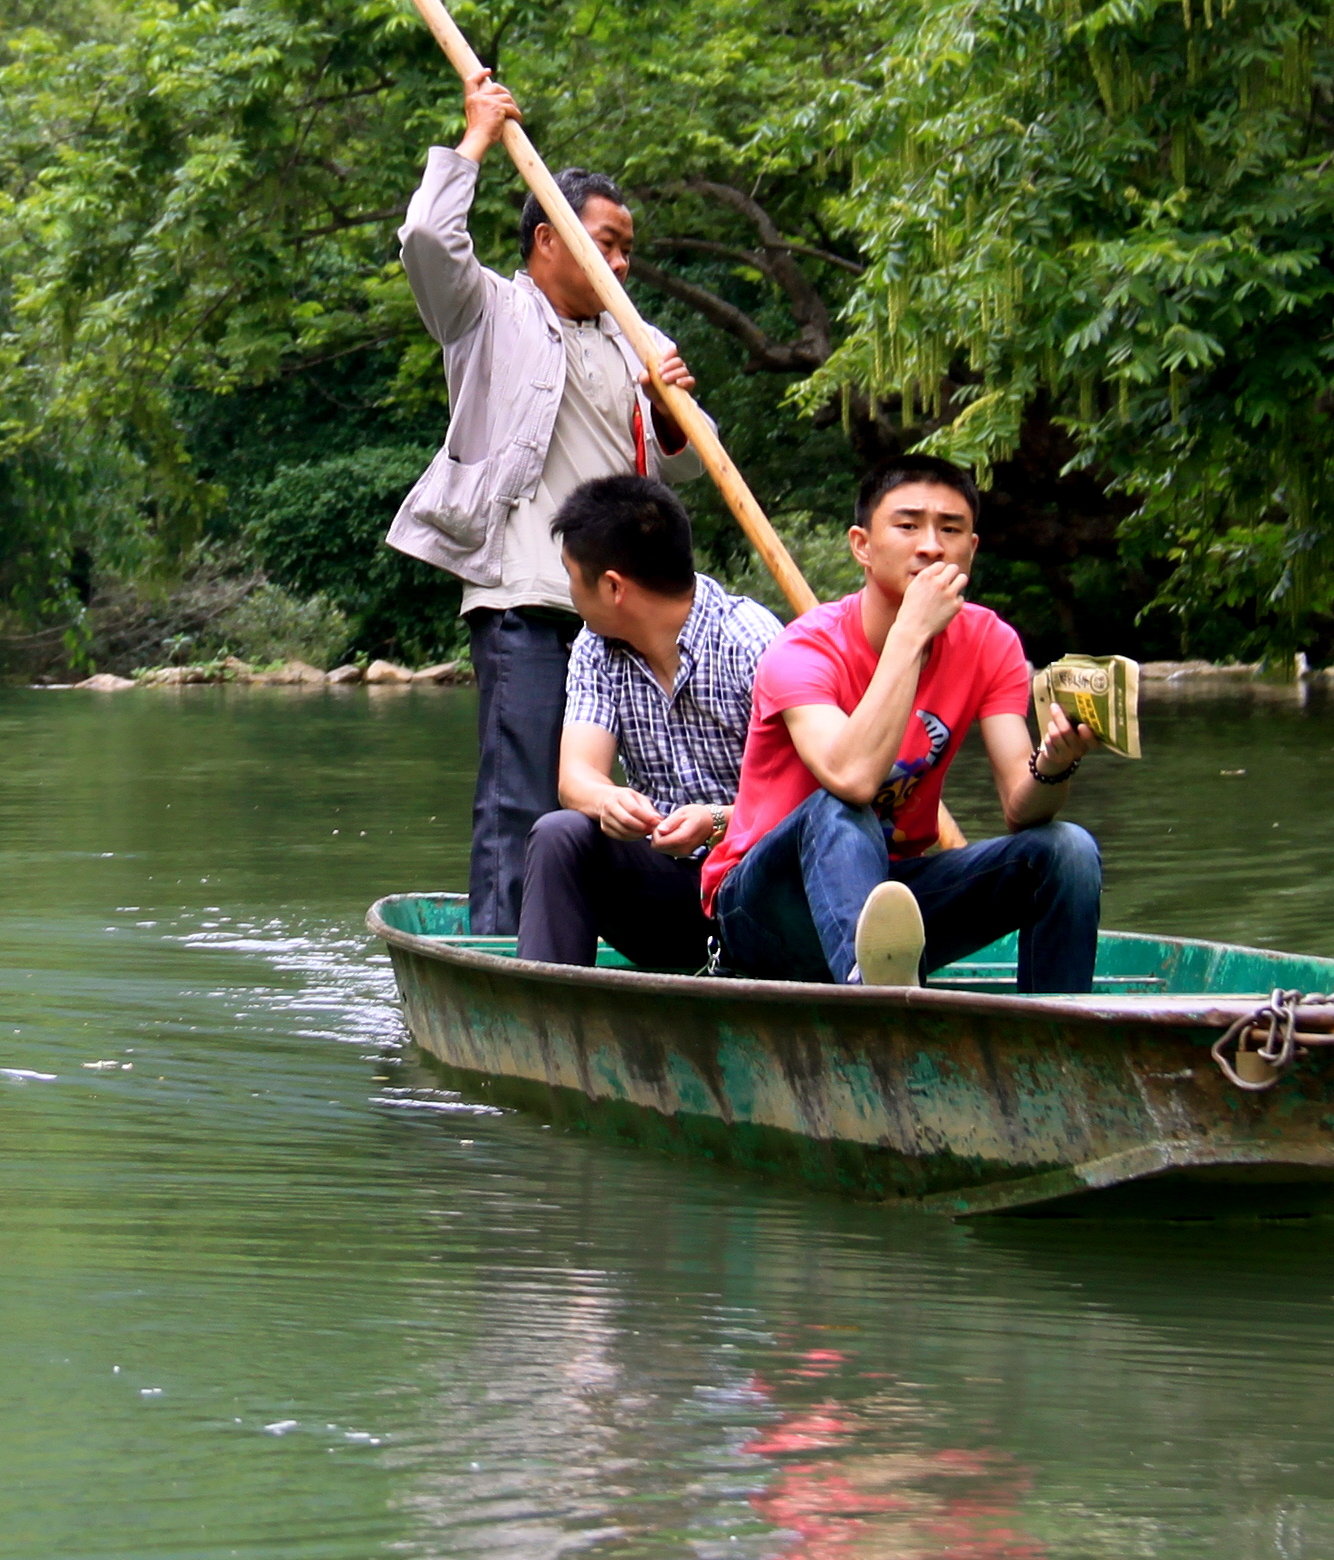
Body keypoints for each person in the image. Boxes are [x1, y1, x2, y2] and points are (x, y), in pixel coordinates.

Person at [386, 66, 697, 933]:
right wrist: (476, 135)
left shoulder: (638, 339)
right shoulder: (488, 314)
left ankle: (648, 933)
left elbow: (691, 463)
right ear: (546, 240)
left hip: (626, 610)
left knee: (651, 790)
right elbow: (425, 239)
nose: (624, 261)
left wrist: (672, 404)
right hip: (525, 597)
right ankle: (502, 956)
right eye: (606, 240)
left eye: (630, 246)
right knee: (521, 793)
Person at [702, 454, 1100, 992]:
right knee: (840, 809)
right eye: (908, 525)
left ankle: (1056, 1041)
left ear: (971, 550)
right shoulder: (803, 649)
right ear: (862, 546)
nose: (932, 545)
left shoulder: (990, 642)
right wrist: (910, 634)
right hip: (765, 910)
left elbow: (1021, 811)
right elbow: (852, 779)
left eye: (951, 529)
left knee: (1066, 850)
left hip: (890, 900)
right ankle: (881, 1005)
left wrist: (1053, 766)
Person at [519, 472, 779, 972]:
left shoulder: (752, 643)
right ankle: (545, 1013)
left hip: (758, 895)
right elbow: (576, 779)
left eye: (572, 576)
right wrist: (608, 801)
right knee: (561, 834)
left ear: (613, 586)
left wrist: (716, 822)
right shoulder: (596, 648)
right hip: (667, 892)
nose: (570, 591)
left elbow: (803, 803)